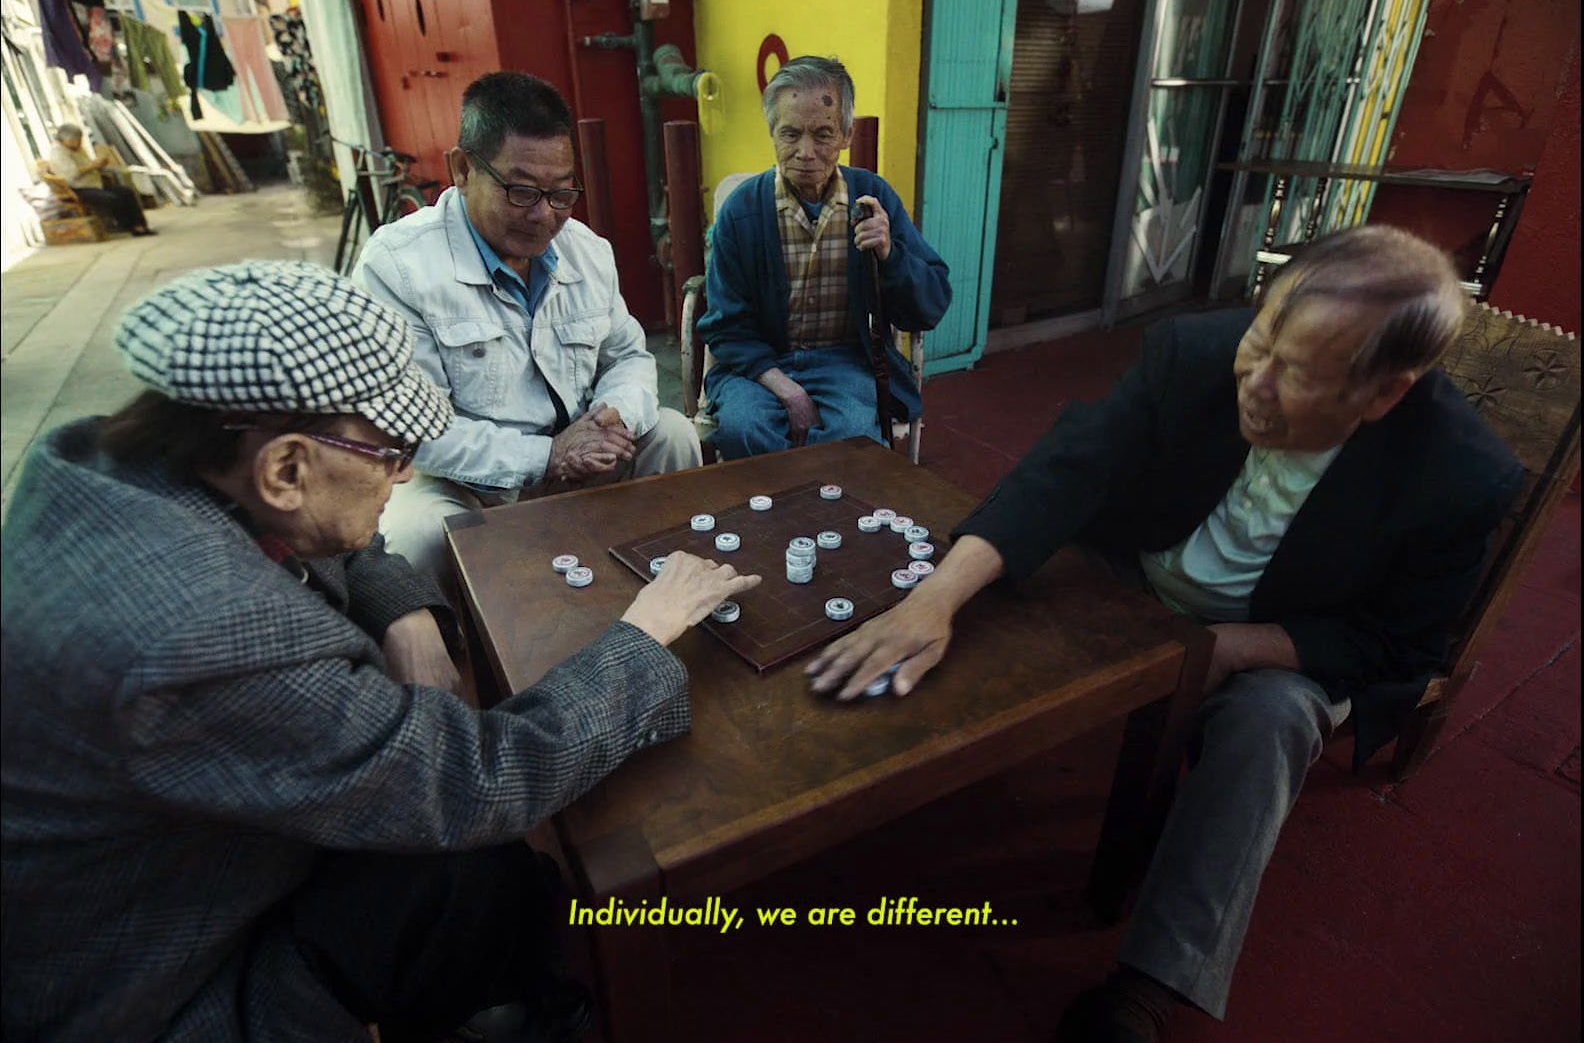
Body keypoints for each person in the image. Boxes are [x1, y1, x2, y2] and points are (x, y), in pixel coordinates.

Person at [0, 261, 760, 1043]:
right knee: (476, 860)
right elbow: (476, 779)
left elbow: (335, 546)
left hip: (167, 868)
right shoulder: (203, 633)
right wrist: (644, 632)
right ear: (287, 466)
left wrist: (408, 617)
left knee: (488, 872)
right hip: (151, 991)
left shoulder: (128, 458)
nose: (403, 473)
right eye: (392, 451)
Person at [805, 226, 1523, 1042]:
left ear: (1385, 394)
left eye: (1297, 375)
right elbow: (1067, 469)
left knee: (1272, 723)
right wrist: (934, 598)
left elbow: (1401, 646)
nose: (1255, 381)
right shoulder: (1195, 351)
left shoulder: (1459, 478)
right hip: (1135, 569)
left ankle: (1150, 984)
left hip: (1275, 634)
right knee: (979, 577)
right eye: (1261, 341)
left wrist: (1233, 649)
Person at [354, 71, 702, 592]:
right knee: (414, 532)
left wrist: (615, 415)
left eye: (562, 194)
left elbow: (628, 357)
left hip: (582, 458)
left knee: (673, 433)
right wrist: (547, 455)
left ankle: (651, 591)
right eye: (521, 191)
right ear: (463, 169)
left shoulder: (587, 250)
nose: (544, 215)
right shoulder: (398, 266)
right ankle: (459, 660)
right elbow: (415, 432)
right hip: (469, 485)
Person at [696, 55, 951, 460]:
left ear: (847, 134)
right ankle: (772, 521)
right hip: (761, 366)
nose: (805, 152)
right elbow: (726, 327)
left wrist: (889, 254)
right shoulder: (742, 211)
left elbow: (931, 305)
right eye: (790, 133)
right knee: (745, 430)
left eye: (823, 134)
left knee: (851, 439)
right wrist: (788, 390)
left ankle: (828, 521)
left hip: (845, 360)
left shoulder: (873, 198)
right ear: (772, 132)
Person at [48, 122, 156, 236]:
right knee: (112, 199)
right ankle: (130, 227)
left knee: (127, 192)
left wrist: (99, 164)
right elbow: (71, 173)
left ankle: (141, 225)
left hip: (94, 183)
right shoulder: (58, 152)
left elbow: (88, 164)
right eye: (76, 139)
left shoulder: (77, 148)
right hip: (78, 187)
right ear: (66, 139)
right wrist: (93, 166)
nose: (79, 142)